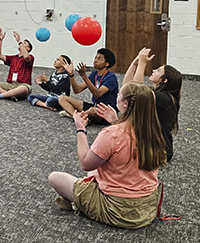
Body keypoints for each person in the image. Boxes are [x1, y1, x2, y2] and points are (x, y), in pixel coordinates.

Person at [46, 83, 168, 229]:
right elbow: (129, 142)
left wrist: (80, 129)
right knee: (95, 171)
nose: (116, 96)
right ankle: (79, 202)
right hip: (147, 209)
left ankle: (79, 204)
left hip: (117, 211)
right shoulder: (153, 131)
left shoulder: (112, 134)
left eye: (119, 95)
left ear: (125, 103)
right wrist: (116, 121)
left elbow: (86, 163)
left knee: (55, 177)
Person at [115, 47, 182, 161]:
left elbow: (137, 91)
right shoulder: (156, 93)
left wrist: (142, 63)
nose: (154, 70)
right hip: (150, 147)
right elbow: (128, 86)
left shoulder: (165, 99)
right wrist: (135, 62)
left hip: (160, 151)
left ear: (164, 80)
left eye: (159, 71)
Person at [57, 48, 119, 125]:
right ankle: (79, 117)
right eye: (95, 57)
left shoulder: (111, 78)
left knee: (92, 110)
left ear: (107, 64)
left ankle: (79, 116)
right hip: (95, 106)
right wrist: (71, 75)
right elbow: (77, 90)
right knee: (62, 98)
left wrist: (84, 76)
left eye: (99, 59)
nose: (95, 60)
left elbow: (98, 94)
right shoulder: (94, 74)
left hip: (107, 112)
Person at [0, 29, 34, 101]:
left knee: (24, 89)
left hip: (23, 85)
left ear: (28, 48)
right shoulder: (13, 58)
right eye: (21, 42)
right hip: (10, 85)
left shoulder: (30, 57)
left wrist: (19, 41)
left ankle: (0, 95)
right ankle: (9, 95)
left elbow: (26, 57)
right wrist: (0, 40)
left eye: (24, 43)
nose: (21, 44)